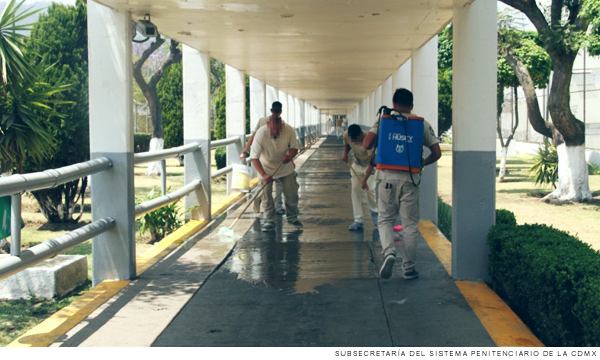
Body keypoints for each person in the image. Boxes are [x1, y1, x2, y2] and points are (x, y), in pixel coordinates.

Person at [363, 88, 441, 280]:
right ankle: (408, 268)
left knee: (385, 220)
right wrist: (423, 163)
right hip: (410, 179)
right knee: (410, 225)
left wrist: (382, 125)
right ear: (412, 106)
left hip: (386, 178)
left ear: (394, 104)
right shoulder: (421, 125)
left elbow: (366, 144)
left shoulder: (384, 121)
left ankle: (389, 252)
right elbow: (437, 153)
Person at [249, 112, 303, 232]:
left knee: (291, 193)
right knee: (266, 196)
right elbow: (254, 157)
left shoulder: (289, 130)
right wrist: (263, 174)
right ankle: (269, 220)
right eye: (273, 130)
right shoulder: (261, 134)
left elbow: (295, 148)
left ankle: (292, 217)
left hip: (284, 166)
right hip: (265, 167)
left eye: (278, 130)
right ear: (268, 125)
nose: (275, 133)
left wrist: (289, 157)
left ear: (282, 127)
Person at [241, 102, 285, 214]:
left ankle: (278, 207)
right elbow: (254, 137)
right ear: (281, 111)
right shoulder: (263, 121)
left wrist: (245, 151)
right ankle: (259, 199)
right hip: (263, 159)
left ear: (271, 110)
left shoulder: (281, 124)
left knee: (277, 181)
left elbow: (285, 144)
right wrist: (245, 151)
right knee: (266, 184)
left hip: (275, 158)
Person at [342, 124, 378, 231]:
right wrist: (345, 153)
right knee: (355, 191)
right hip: (357, 164)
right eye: (351, 139)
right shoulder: (346, 135)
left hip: (369, 166)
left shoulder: (369, 138)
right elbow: (347, 145)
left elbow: (372, 162)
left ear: (360, 135)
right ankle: (358, 220)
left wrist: (365, 180)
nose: (354, 142)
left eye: (356, 139)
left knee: (370, 189)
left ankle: (375, 213)